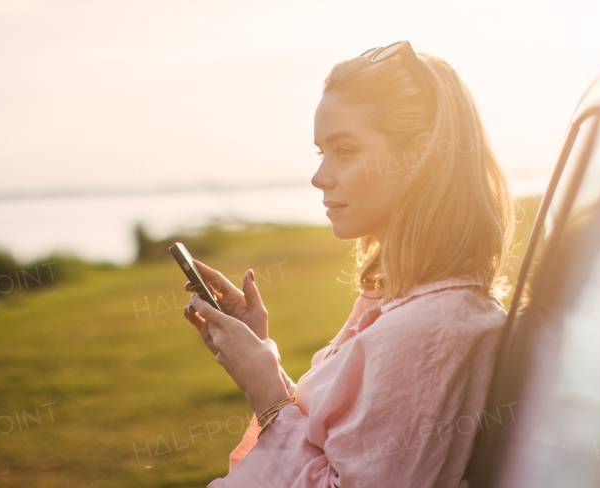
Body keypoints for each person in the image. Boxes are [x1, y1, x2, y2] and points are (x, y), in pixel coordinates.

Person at [182, 40, 514, 487]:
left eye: (345, 151)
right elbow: (336, 444)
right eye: (322, 153)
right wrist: (259, 354)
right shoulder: (400, 302)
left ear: (419, 155)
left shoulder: (431, 330)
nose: (319, 177)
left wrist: (266, 394)